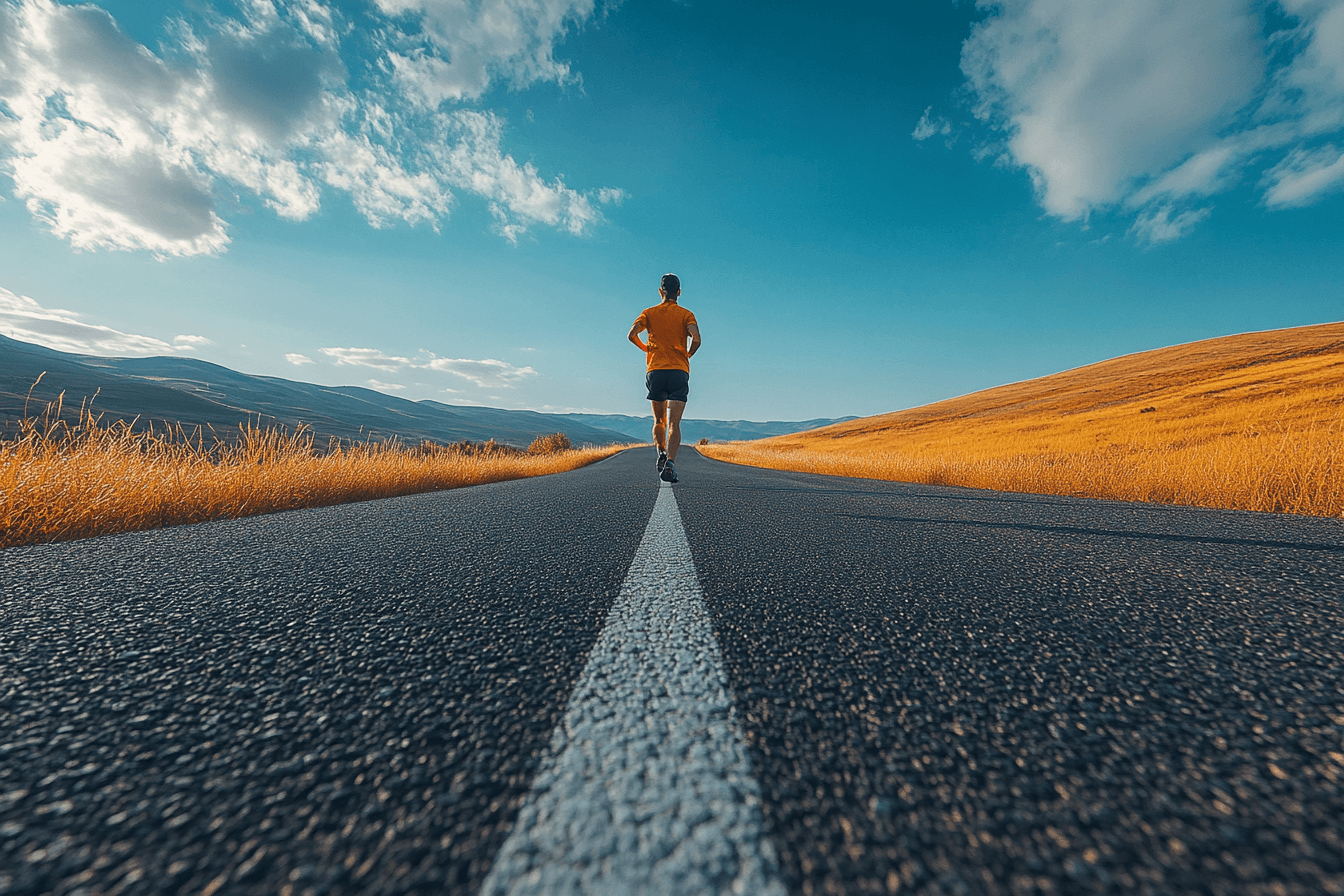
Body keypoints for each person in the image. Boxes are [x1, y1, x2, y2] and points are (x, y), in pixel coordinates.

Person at [628, 272, 701, 483]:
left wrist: (646, 350)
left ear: (660, 291)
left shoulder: (649, 313)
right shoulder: (686, 314)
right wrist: (688, 353)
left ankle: (660, 452)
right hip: (679, 371)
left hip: (656, 370)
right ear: (679, 292)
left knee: (658, 420)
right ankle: (670, 462)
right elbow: (696, 337)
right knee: (674, 424)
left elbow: (632, 334)